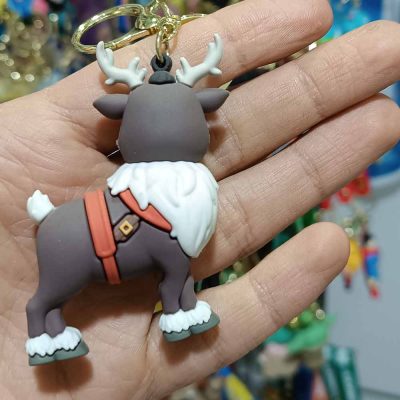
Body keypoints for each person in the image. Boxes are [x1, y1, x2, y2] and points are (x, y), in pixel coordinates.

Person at [0, 0, 399, 398]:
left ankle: (175, 309)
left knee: (173, 260)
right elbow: (174, 258)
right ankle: (54, 326)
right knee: (72, 284)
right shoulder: (144, 194)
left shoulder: (182, 191)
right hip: (75, 235)